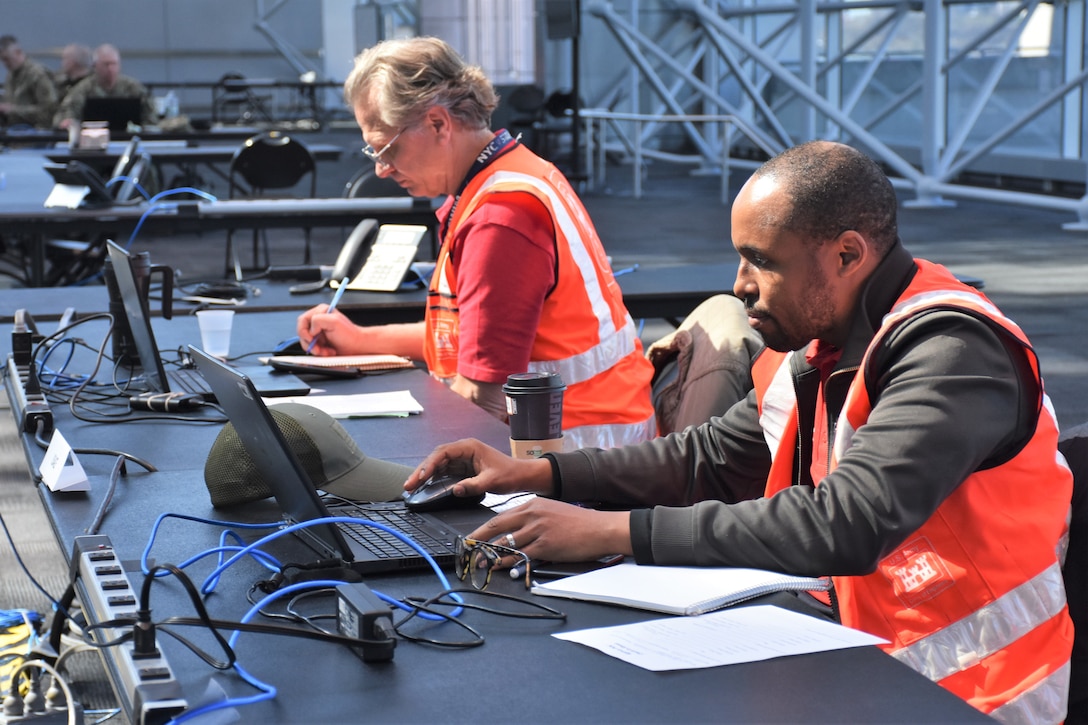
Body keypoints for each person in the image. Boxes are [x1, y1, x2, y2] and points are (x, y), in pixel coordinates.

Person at [406, 141, 1074, 722]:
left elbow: (851, 521)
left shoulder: (952, 349)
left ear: (847, 255)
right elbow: (710, 458)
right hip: (862, 659)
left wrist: (615, 532)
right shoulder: (814, 344)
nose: (740, 285)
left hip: (974, 694)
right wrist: (542, 473)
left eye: (762, 261)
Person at [298, 37, 655, 450]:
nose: (381, 169)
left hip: (571, 458)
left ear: (437, 124)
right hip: (592, 440)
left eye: (385, 148)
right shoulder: (511, 177)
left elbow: (484, 398)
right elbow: (476, 341)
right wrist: (360, 340)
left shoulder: (500, 219)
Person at [53, 43, 157, 129]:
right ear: (95, 66)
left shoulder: (134, 88)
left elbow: (151, 120)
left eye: (114, 64)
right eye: (106, 64)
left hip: (128, 139)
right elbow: (64, 115)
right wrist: (68, 122)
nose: (110, 69)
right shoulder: (83, 89)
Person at [0, 35, 58, 128]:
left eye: (7, 59)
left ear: (18, 52)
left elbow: (48, 111)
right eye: (2, 60)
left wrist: (12, 110)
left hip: (36, 132)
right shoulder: (11, 76)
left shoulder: (37, 74)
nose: (5, 64)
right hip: (14, 131)